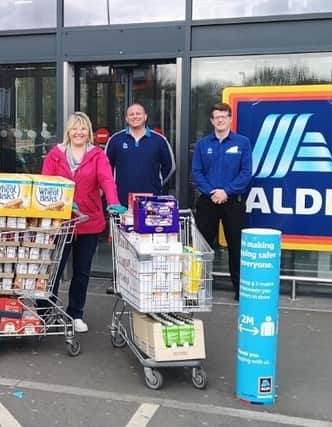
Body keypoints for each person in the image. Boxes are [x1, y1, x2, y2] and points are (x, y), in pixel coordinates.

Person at [41, 112, 125, 333]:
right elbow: (46, 185)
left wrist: (113, 202)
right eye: (75, 128)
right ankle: (44, 312)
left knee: (82, 272)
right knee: (53, 270)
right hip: (61, 222)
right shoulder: (55, 155)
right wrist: (64, 204)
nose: (79, 132)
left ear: (89, 132)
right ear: (68, 131)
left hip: (89, 221)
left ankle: (75, 314)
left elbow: (107, 179)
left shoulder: (97, 155)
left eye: (84, 128)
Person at [191, 102, 252, 301]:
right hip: (208, 202)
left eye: (224, 116)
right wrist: (212, 192)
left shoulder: (242, 143)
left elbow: (246, 173)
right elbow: (197, 173)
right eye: (216, 117)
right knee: (203, 247)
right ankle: (199, 287)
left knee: (236, 246)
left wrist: (226, 192)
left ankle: (239, 291)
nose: (220, 120)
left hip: (233, 201)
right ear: (211, 120)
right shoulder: (202, 144)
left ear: (230, 118)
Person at [105, 103, 176, 207]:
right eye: (131, 114)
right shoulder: (115, 140)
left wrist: (157, 182)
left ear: (145, 117)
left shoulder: (159, 140)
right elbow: (106, 168)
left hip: (151, 200)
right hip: (122, 200)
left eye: (138, 114)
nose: (135, 116)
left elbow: (169, 167)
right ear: (126, 118)